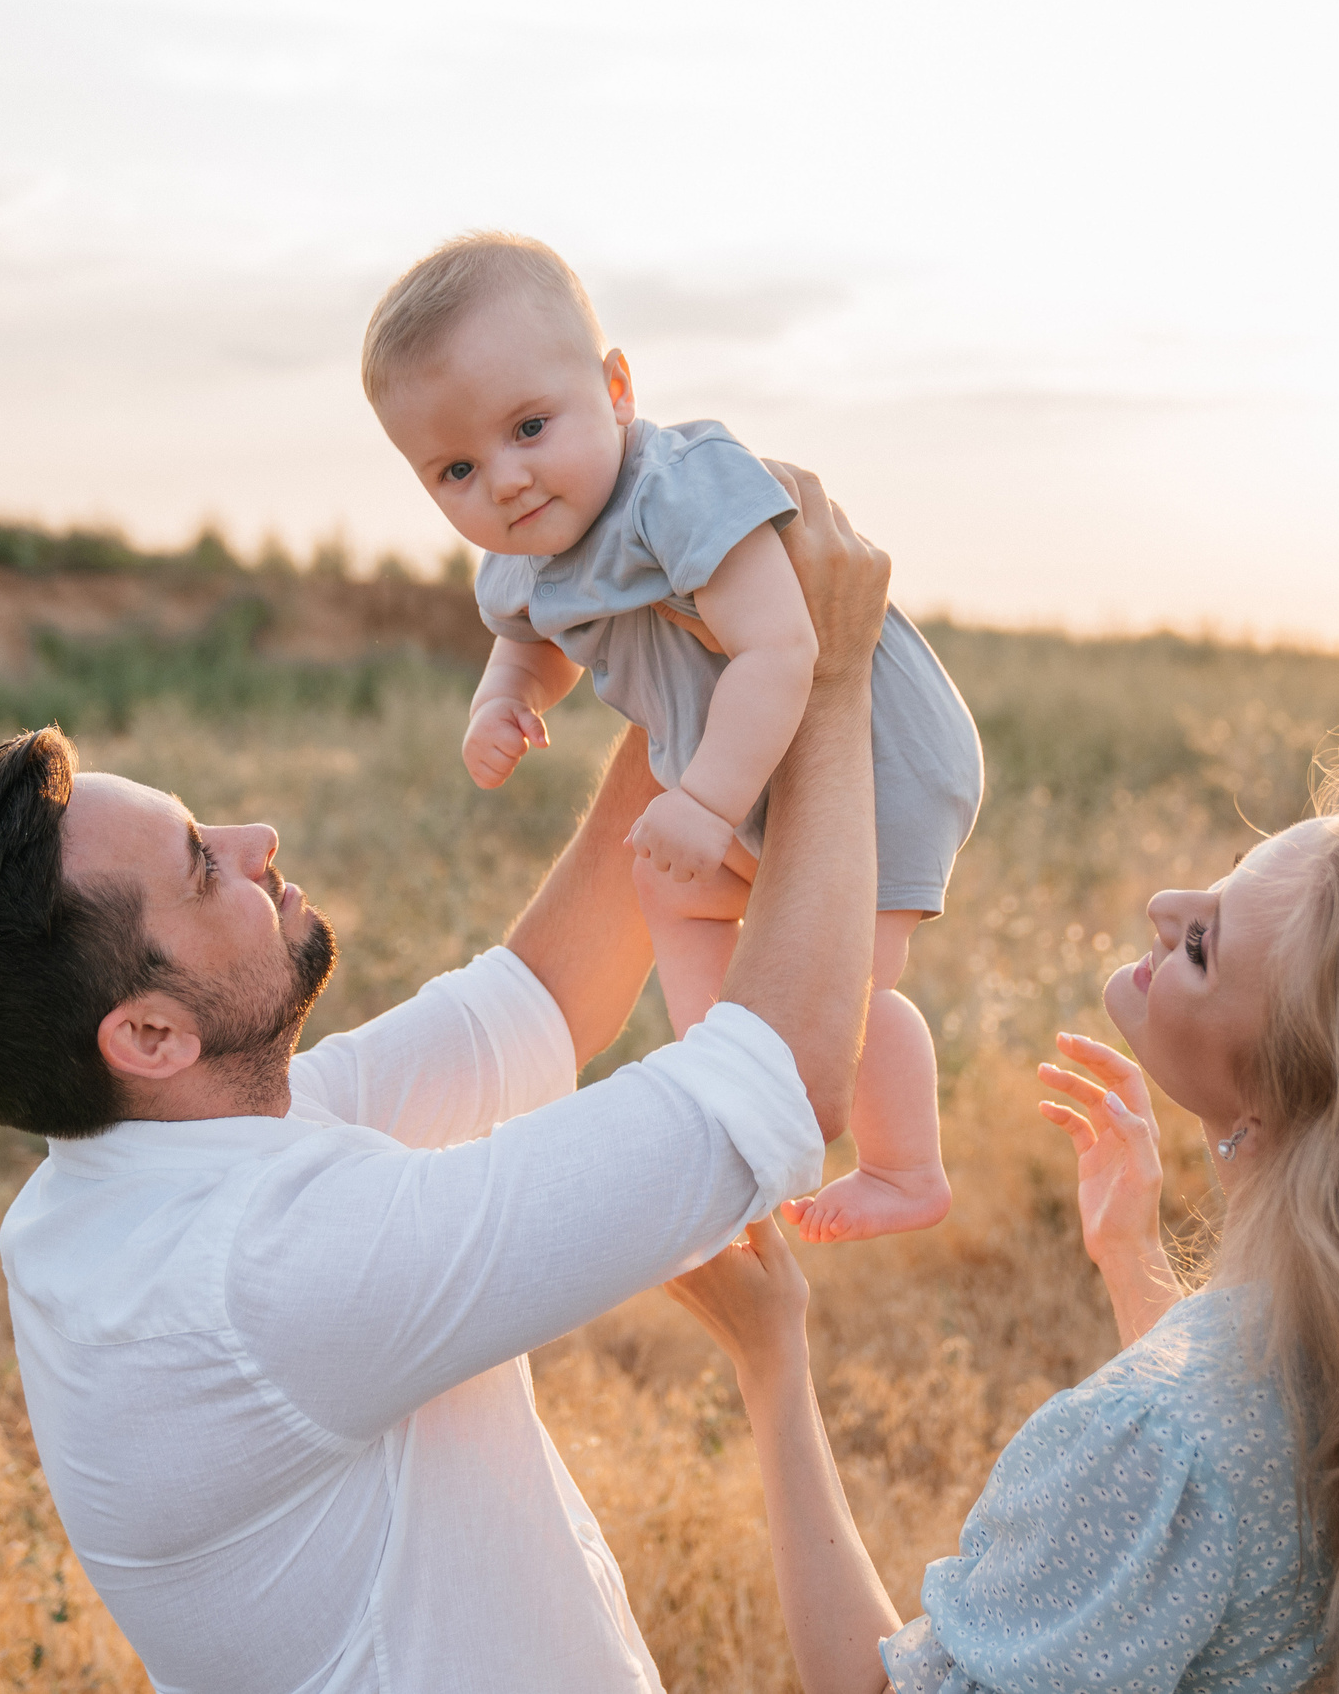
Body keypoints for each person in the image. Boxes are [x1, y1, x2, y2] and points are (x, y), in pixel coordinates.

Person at [0, 469, 891, 1694]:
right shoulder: (259, 1277)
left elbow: (547, 996)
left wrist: (686, 632)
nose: (254, 840)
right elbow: (780, 1085)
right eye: (200, 867)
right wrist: (824, 678)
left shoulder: (159, 1155)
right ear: (149, 1035)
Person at [670, 744, 1339, 1694]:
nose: (1163, 903)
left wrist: (772, 1359)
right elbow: (1244, 1523)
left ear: (1290, 1095)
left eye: (1203, 944)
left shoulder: (1150, 1436)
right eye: (1220, 876)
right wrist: (1134, 1264)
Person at [362, 231, 984, 1244]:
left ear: (614, 388)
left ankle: (904, 1164)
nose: (506, 482)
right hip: (748, 767)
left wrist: (701, 801)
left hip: (875, 752)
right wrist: (502, 701)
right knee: (666, 882)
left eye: (529, 426)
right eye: (457, 469)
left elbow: (785, 649)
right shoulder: (525, 557)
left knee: (848, 974)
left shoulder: (679, 489)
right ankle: (721, 1062)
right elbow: (536, 642)